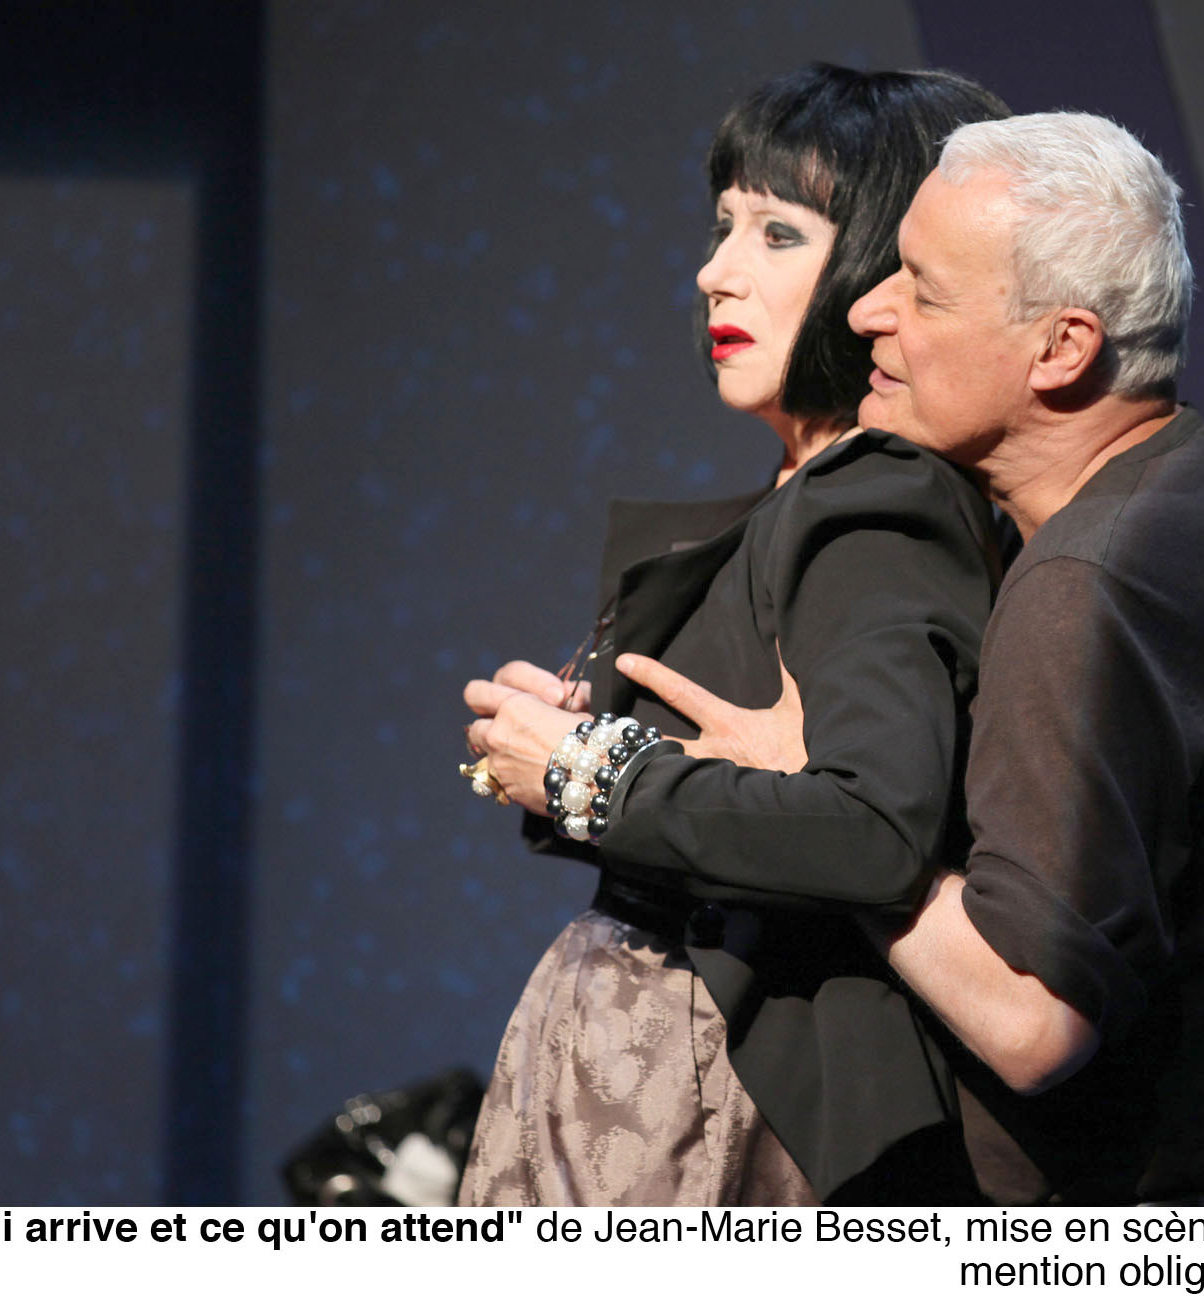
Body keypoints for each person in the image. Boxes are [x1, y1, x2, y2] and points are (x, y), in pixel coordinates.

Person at [622, 111, 1204, 1204]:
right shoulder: (1198, 491)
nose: (869, 310)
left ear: (1061, 349)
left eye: (925, 292)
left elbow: (1031, 1020)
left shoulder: (1086, 583)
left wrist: (818, 806)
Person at [456, 65, 1010, 1205]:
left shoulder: (876, 503)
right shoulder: (806, 492)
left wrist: (590, 773)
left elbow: (872, 830)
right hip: (644, 1080)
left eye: (777, 233)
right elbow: (745, 796)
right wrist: (566, 755)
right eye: (723, 227)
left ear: (887, 271)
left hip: (717, 1106)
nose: (715, 271)